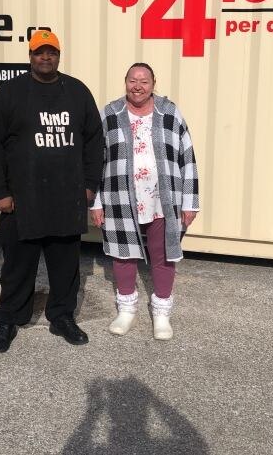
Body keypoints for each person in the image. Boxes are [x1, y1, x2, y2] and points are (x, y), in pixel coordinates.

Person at [0, 29, 104, 352]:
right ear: (30, 55)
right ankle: (8, 319)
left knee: (65, 267)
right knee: (16, 267)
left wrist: (90, 186)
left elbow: (94, 141)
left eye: (51, 52)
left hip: (66, 199)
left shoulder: (77, 92)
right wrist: (0, 191)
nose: (45, 57)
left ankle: (62, 316)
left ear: (59, 55)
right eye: (39, 52)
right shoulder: (10, 93)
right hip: (21, 201)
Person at [90, 63, 199, 340]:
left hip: (164, 198)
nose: (138, 86)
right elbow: (96, 162)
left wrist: (190, 202)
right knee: (122, 253)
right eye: (132, 80)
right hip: (120, 196)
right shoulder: (110, 114)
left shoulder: (170, 113)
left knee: (162, 254)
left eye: (144, 81)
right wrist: (96, 202)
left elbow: (188, 157)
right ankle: (126, 309)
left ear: (153, 84)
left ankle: (161, 312)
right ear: (125, 81)